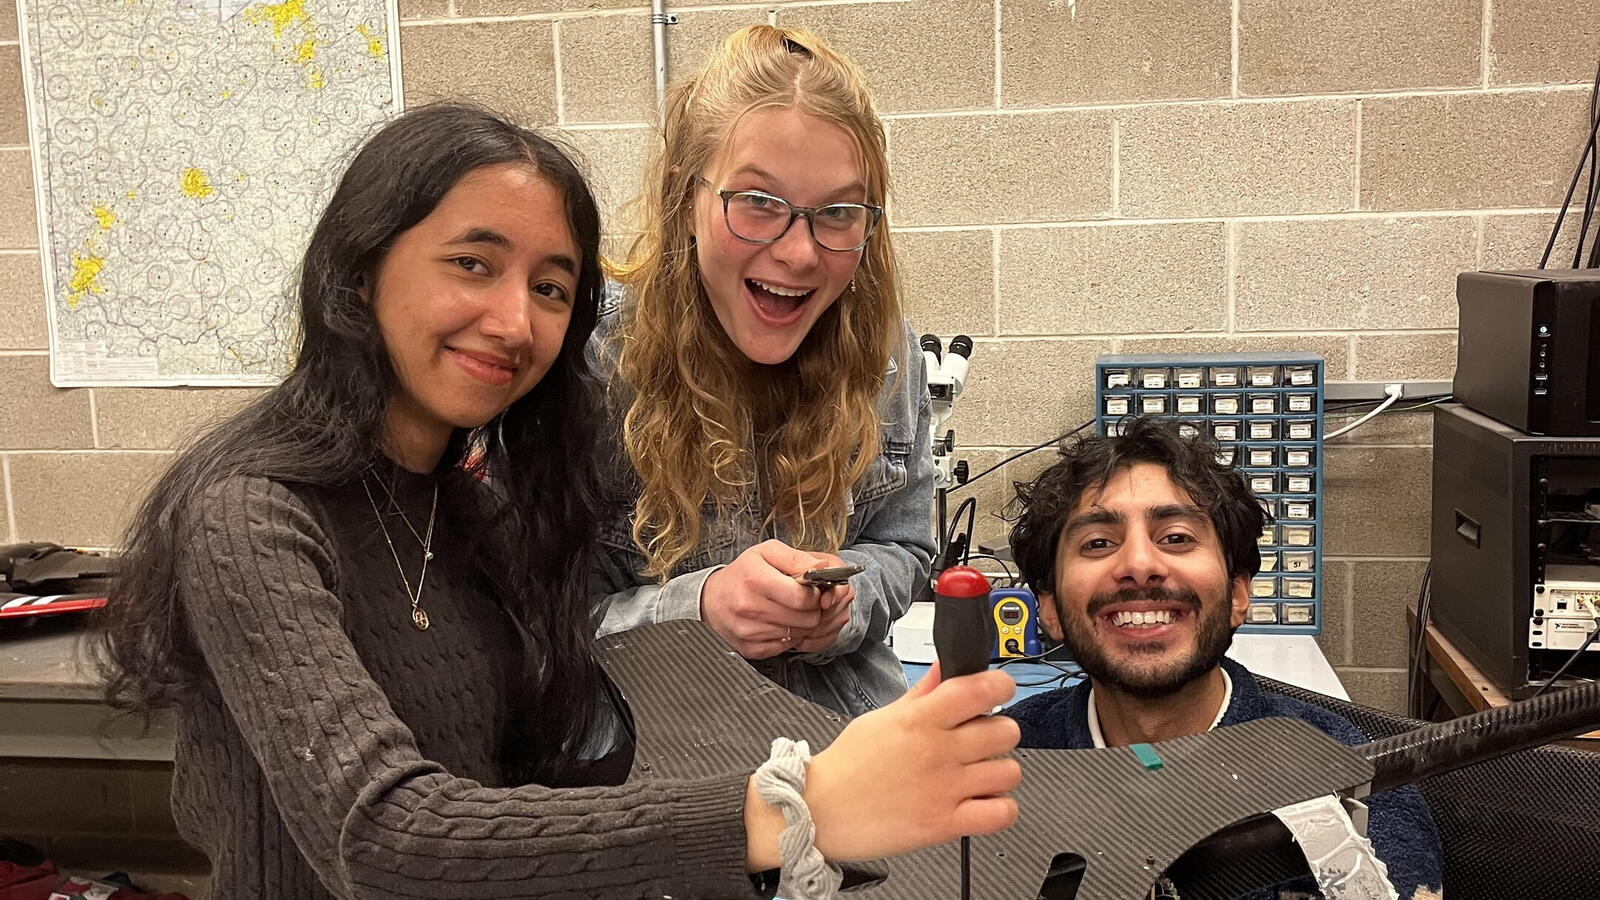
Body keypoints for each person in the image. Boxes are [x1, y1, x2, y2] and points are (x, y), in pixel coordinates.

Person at [94, 102, 1021, 899]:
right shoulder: (251, 515)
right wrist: (794, 808)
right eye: (471, 263)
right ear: (361, 265)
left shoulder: (467, 514)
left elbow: (534, 784)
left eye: (549, 288)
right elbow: (386, 842)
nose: (512, 322)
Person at [593, 25, 933, 716]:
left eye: (837, 213)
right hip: (655, 755)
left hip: (847, 735)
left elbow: (906, 544)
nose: (800, 253)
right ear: (686, 200)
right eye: (757, 203)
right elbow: (536, 622)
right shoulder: (596, 360)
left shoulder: (885, 352)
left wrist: (847, 598)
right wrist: (697, 609)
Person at [1004, 416, 1443, 899]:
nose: (1139, 565)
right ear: (1049, 608)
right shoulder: (991, 771)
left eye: (1175, 537)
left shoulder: (1357, 783)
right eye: (1098, 544)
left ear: (1238, 593)